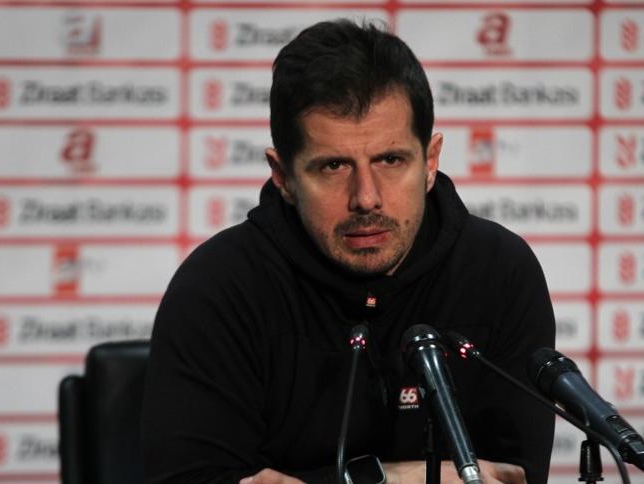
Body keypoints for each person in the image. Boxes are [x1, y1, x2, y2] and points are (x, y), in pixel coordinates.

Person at [141, 19, 555, 484]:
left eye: (390, 160)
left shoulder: (498, 271)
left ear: (430, 161)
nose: (366, 198)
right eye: (334, 166)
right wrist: (393, 479)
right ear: (283, 176)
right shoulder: (219, 286)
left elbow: (513, 478)